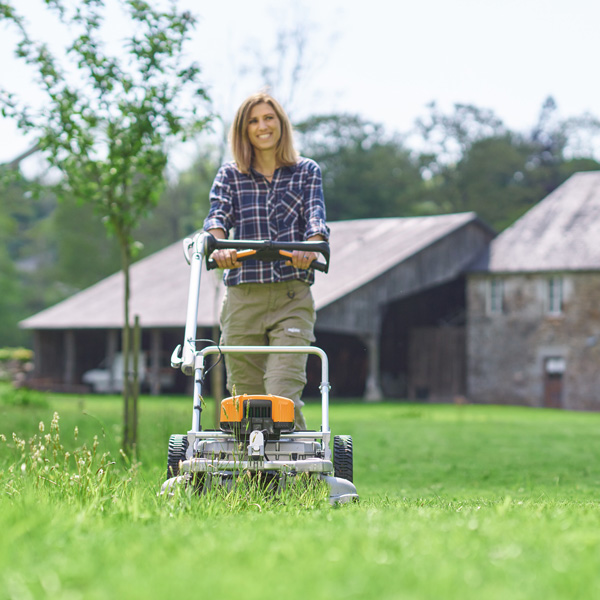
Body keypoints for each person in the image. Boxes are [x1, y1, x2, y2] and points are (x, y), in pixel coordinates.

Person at [203, 91, 329, 430]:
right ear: (244, 131)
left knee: (281, 393)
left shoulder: (305, 172)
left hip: (291, 295)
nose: (263, 126)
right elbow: (217, 216)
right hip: (244, 297)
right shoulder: (230, 175)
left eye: (269, 118)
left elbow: (316, 221)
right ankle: (251, 477)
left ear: (281, 123)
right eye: (254, 121)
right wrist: (220, 246)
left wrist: (311, 248)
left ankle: (300, 473)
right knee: (244, 398)